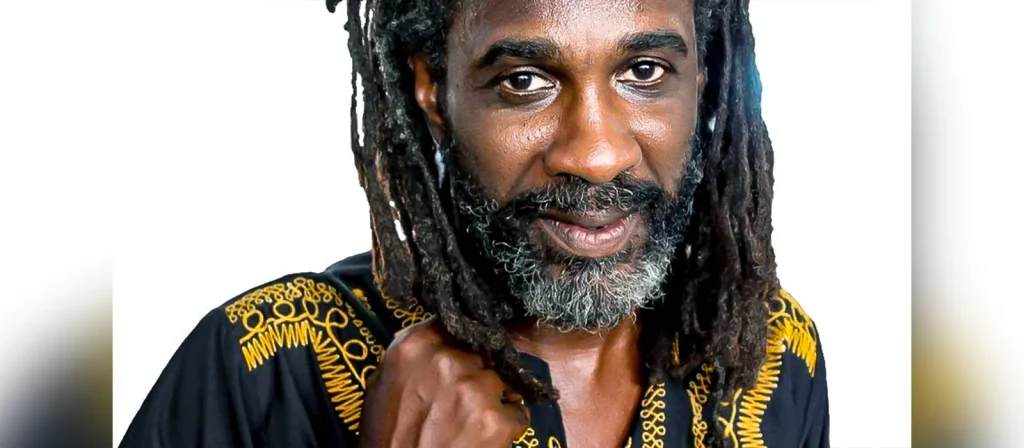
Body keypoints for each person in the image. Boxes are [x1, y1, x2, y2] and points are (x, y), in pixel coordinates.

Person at [121, 0, 830, 446]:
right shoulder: (263, 363)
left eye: (644, 71)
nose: (596, 154)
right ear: (433, 89)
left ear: (701, 77)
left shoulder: (769, 351)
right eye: (525, 81)